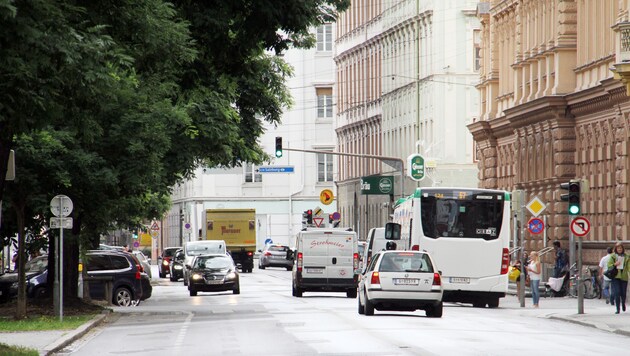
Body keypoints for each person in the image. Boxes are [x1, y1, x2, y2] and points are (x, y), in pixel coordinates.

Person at [608, 242, 630, 314]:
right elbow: (609, 266)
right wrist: (614, 264)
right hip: (615, 276)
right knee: (617, 292)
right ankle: (618, 308)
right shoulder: (613, 256)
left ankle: (623, 303)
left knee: (623, 293)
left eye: (620, 248)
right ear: (616, 249)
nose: (619, 249)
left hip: (624, 277)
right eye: (618, 248)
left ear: (623, 249)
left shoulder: (627, 256)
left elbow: (629, 266)